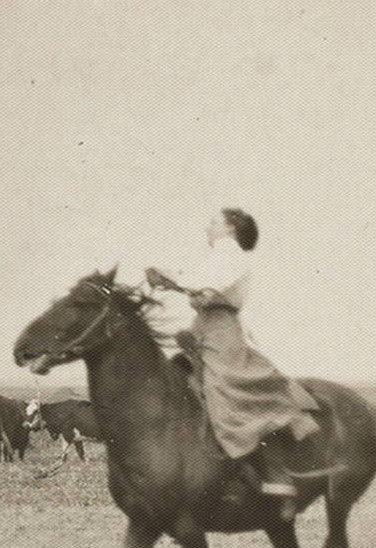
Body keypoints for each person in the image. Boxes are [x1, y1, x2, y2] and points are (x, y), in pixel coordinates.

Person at [137, 208, 319, 517]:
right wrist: (170, 280)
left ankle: (274, 474)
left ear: (231, 228)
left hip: (222, 331)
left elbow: (205, 287)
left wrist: (171, 278)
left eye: (214, 222)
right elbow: (198, 287)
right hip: (203, 327)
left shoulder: (231, 254)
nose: (207, 226)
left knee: (226, 394)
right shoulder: (217, 256)